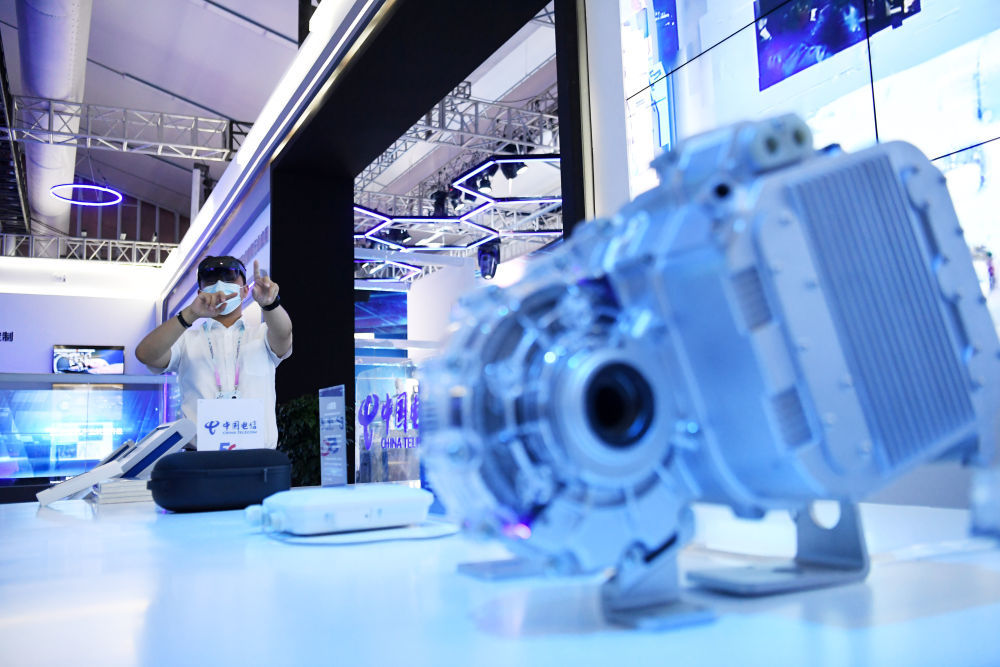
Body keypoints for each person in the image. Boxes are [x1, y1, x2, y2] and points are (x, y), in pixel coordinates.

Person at [135, 256, 292, 448]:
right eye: (210, 280)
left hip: (258, 459)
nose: (219, 285)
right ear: (200, 292)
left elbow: (284, 335)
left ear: (245, 291)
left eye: (229, 277)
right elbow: (145, 354)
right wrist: (190, 314)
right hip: (200, 459)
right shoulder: (185, 341)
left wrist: (270, 304)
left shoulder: (262, 335)